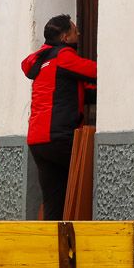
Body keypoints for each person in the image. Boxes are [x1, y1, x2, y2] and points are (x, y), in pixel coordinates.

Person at [22, 14, 97, 220]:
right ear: (65, 37)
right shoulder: (63, 57)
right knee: (85, 184)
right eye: (75, 30)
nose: (79, 33)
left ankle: (52, 248)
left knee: (53, 200)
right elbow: (99, 72)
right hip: (59, 136)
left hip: (38, 140)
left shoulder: (43, 61)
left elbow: (72, 92)